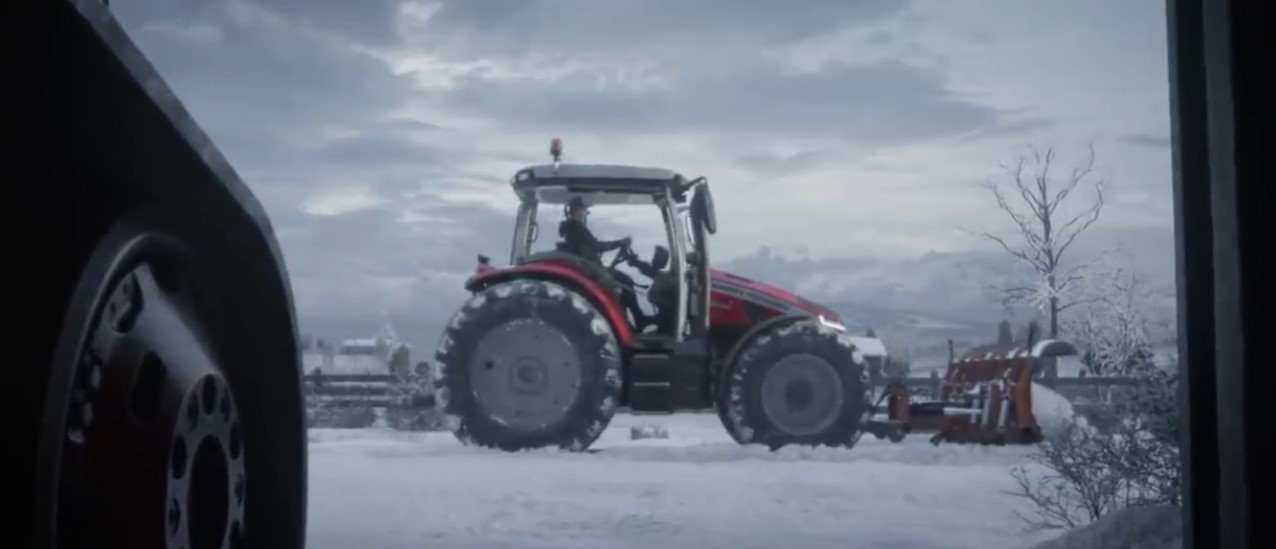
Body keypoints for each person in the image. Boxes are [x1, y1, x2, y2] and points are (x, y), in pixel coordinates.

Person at [558, 196, 653, 330]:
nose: (585, 212)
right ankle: (633, 320)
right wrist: (618, 243)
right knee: (624, 282)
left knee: (624, 281)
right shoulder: (575, 226)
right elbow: (596, 245)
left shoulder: (573, 227)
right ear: (577, 210)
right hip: (589, 268)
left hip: (589, 265)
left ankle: (632, 320)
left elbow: (589, 247)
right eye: (584, 209)